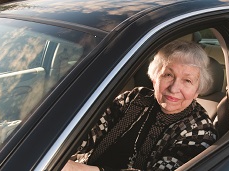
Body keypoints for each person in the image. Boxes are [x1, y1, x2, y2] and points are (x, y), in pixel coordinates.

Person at [62, 40, 218, 171]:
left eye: (187, 80)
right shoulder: (134, 98)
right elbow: (88, 132)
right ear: (155, 77)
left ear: (198, 90)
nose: (174, 88)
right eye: (168, 75)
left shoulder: (200, 129)